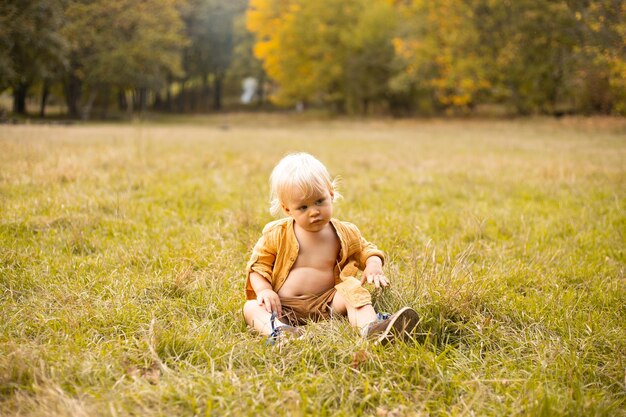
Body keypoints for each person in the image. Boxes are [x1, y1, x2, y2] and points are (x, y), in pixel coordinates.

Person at [243, 152, 419, 345]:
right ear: (287, 209)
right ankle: (281, 332)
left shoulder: (344, 232)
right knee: (251, 307)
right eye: (303, 207)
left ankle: (371, 328)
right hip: (284, 306)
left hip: (328, 304)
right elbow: (258, 267)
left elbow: (366, 250)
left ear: (331, 194)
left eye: (319, 201)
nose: (314, 211)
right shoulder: (277, 233)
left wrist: (373, 264)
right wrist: (265, 290)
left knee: (351, 290)